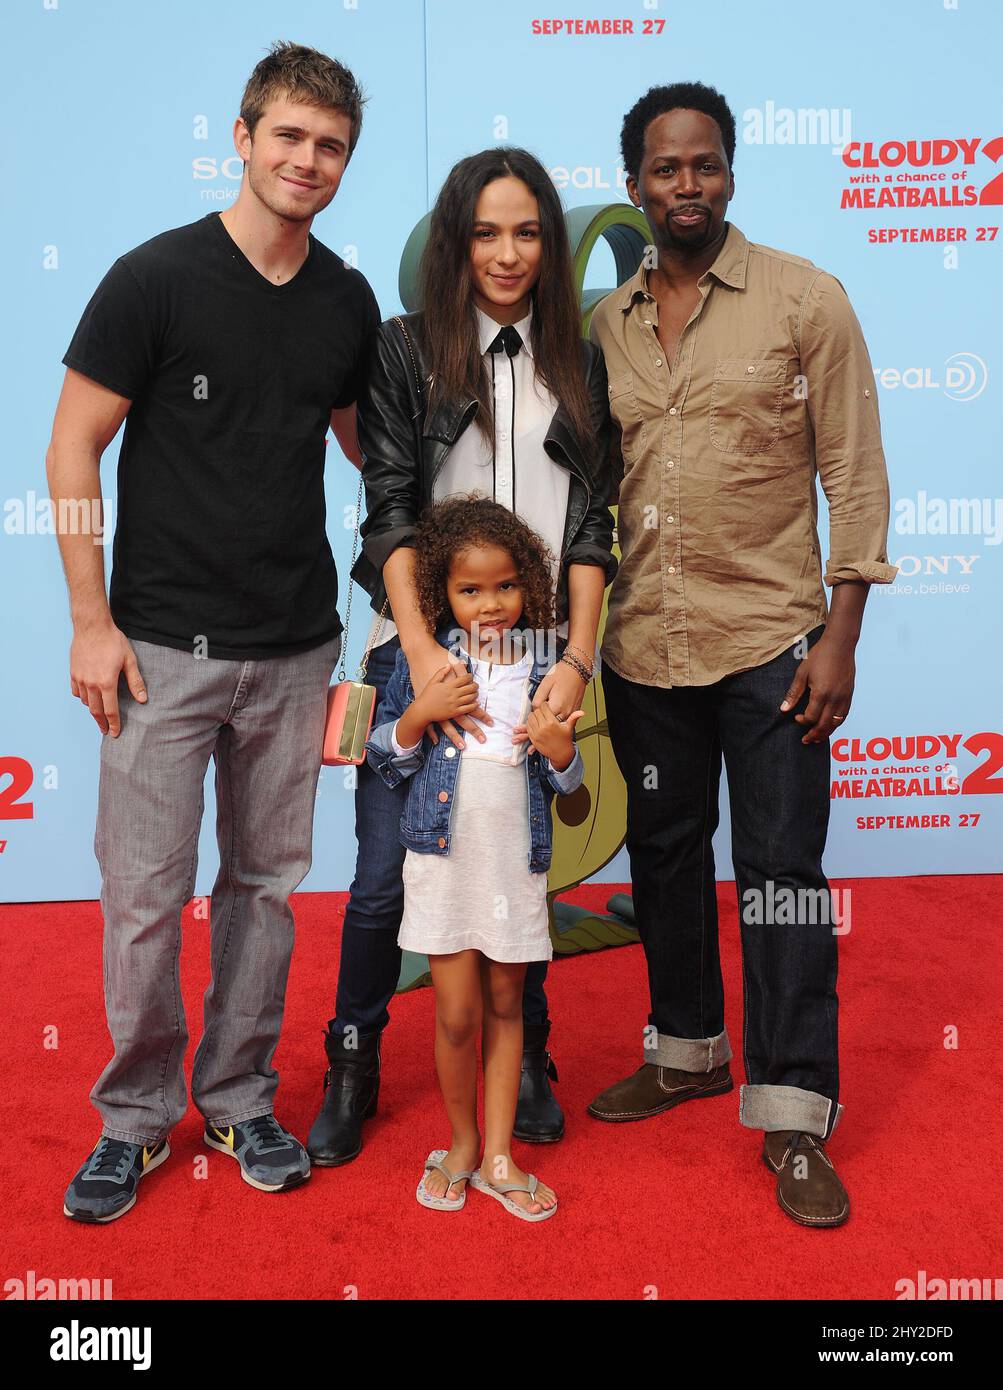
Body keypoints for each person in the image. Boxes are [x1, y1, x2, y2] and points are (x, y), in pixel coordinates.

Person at [48, 42, 380, 1223]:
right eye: (288, 136)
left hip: (297, 650)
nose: (307, 160)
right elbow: (72, 442)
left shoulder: (346, 299)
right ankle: (134, 1120)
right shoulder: (155, 279)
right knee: (143, 895)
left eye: (330, 145)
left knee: (264, 889)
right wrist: (91, 620)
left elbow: (364, 450)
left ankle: (239, 1095)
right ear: (242, 137)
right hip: (157, 649)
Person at [586, 82, 896, 1228]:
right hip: (642, 649)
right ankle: (686, 1049)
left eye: (705, 164)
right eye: (665, 168)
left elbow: (853, 475)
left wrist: (840, 637)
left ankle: (794, 1109)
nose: (686, 185)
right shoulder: (608, 325)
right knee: (664, 856)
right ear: (633, 184)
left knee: (779, 881)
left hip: (771, 644)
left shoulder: (803, 300)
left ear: (730, 173)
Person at [306, 147, 616, 1166]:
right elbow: (388, 510)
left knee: (517, 871)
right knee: (383, 880)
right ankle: (352, 1054)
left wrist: (572, 659)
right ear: (455, 241)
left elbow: (589, 527)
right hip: (419, 650)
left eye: (528, 231)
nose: (508, 252)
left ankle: (526, 1058)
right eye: (486, 231)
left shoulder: (578, 357)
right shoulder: (404, 350)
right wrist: (425, 653)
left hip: (534, 656)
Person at [366, 496, 583, 1220]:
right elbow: (385, 760)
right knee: (455, 1013)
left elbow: (573, 792)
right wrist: (418, 717)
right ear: (442, 593)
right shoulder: (424, 659)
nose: (490, 605)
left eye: (506, 586)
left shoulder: (551, 667)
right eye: (469, 589)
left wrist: (560, 755)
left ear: (530, 586)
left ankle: (497, 1155)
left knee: (505, 1003)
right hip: (442, 861)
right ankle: (459, 1144)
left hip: (514, 863)